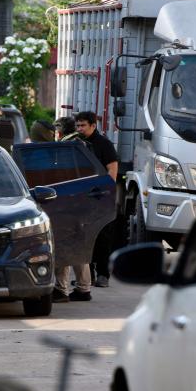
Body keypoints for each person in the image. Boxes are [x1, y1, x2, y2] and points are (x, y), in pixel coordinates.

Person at [51, 115, 92, 303]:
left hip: (67, 202)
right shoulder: (83, 144)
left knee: (63, 245)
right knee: (79, 244)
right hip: (84, 200)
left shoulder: (65, 147)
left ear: (59, 131)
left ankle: (61, 289)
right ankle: (84, 288)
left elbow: (59, 175)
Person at [75, 111, 118, 288]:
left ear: (93, 126)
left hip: (100, 196)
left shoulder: (104, 144)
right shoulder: (76, 144)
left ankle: (103, 275)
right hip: (81, 196)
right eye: (77, 125)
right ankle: (87, 276)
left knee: (101, 236)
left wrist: (104, 192)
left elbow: (112, 169)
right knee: (83, 237)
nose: (79, 129)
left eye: (83, 125)